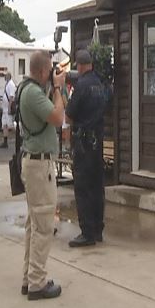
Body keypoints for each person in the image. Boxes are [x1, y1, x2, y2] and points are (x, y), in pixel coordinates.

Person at [19, 50, 65, 300]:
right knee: (44, 225)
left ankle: (30, 277)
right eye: (49, 71)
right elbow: (58, 117)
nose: (51, 75)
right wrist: (57, 89)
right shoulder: (34, 93)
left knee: (34, 224)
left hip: (33, 164)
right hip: (40, 166)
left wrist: (54, 87)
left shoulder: (27, 89)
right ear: (41, 71)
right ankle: (37, 282)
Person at [66, 49, 111, 247]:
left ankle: (87, 232)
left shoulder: (81, 85)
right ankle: (98, 229)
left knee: (83, 187)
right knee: (97, 186)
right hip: (98, 141)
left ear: (80, 65)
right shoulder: (100, 83)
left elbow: (69, 114)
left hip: (84, 142)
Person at [0, 72, 17, 149]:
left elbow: (11, 97)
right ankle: (5, 142)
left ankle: (21, 137)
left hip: (8, 109)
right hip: (5, 108)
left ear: (8, 76)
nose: (4, 77)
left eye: (5, 76)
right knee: (4, 125)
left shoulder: (11, 85)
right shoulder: (7, 84)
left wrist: (9, 108)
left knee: (10, 125)